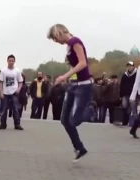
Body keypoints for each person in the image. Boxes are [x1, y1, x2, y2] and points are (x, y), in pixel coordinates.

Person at [47, 24, 93, 162]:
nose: (56, 42)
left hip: (83, 86)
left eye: (55, 38)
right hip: (73, 86)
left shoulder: (75, 42)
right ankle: (79, 148)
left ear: (59, 32)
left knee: (74, 121)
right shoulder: (69, 45)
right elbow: (74, 65)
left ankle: (90, 111)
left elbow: (83, 63)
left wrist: (64, 76)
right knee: (64, 120)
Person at [0, 55, 24, 130]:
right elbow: (0, 82)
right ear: (7, 61)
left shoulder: (17, 71)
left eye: (12, 61)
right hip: (5, 93)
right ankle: (3, 124)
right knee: (4, 109)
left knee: (16, 109)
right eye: (10, 60)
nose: (11, 62)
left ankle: (17, 124)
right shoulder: (3, 71)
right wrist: (1, 92)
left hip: (14, 93)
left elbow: (21, 82)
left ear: (14, 61)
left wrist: (18, 89)